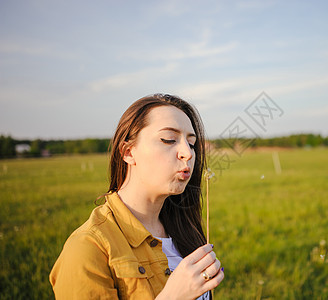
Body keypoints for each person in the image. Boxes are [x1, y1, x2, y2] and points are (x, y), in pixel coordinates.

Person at [49, 94, 224, 299]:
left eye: (192, 143)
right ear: (128, 152)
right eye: (169, 140)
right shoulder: (87, 249)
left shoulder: (183, 229)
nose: (188, 153)